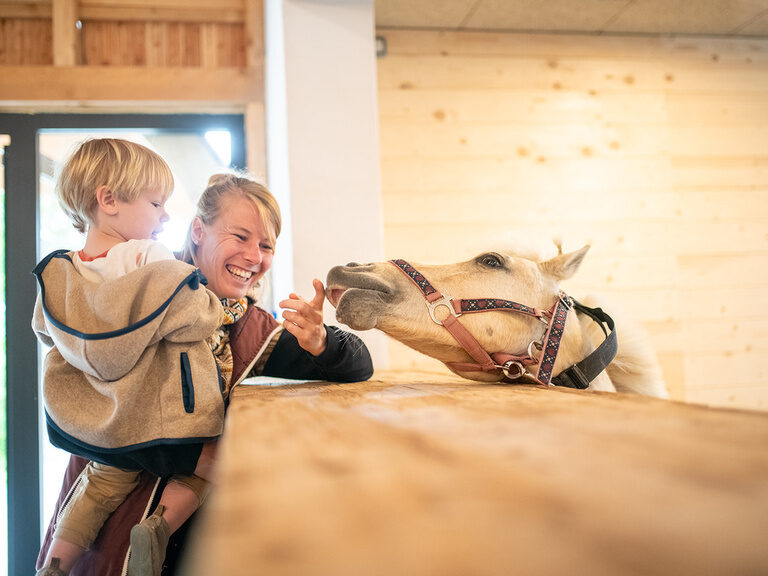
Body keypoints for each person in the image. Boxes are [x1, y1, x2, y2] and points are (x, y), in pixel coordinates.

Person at [36, 172, 374, 575]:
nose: (254, 256)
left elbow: (358, 365)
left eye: (266, 245)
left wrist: (320, 340)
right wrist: (187, 452)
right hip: (109, 522)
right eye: (241, 237)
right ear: (198, 231)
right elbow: (89, 382)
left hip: (187, 534)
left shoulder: (251, 327)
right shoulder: (139, 286)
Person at [33, 139, 226, 576]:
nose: (165, 215)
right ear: (108, 200)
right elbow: (196, 315)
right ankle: (157, 528)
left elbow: (45, 330)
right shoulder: (148, 258)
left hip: (104, 425)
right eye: (157, 202)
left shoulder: (62, 270)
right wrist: (213, 305)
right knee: (206, 471)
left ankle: (55, 564)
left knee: (98, 488)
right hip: (158, 420)